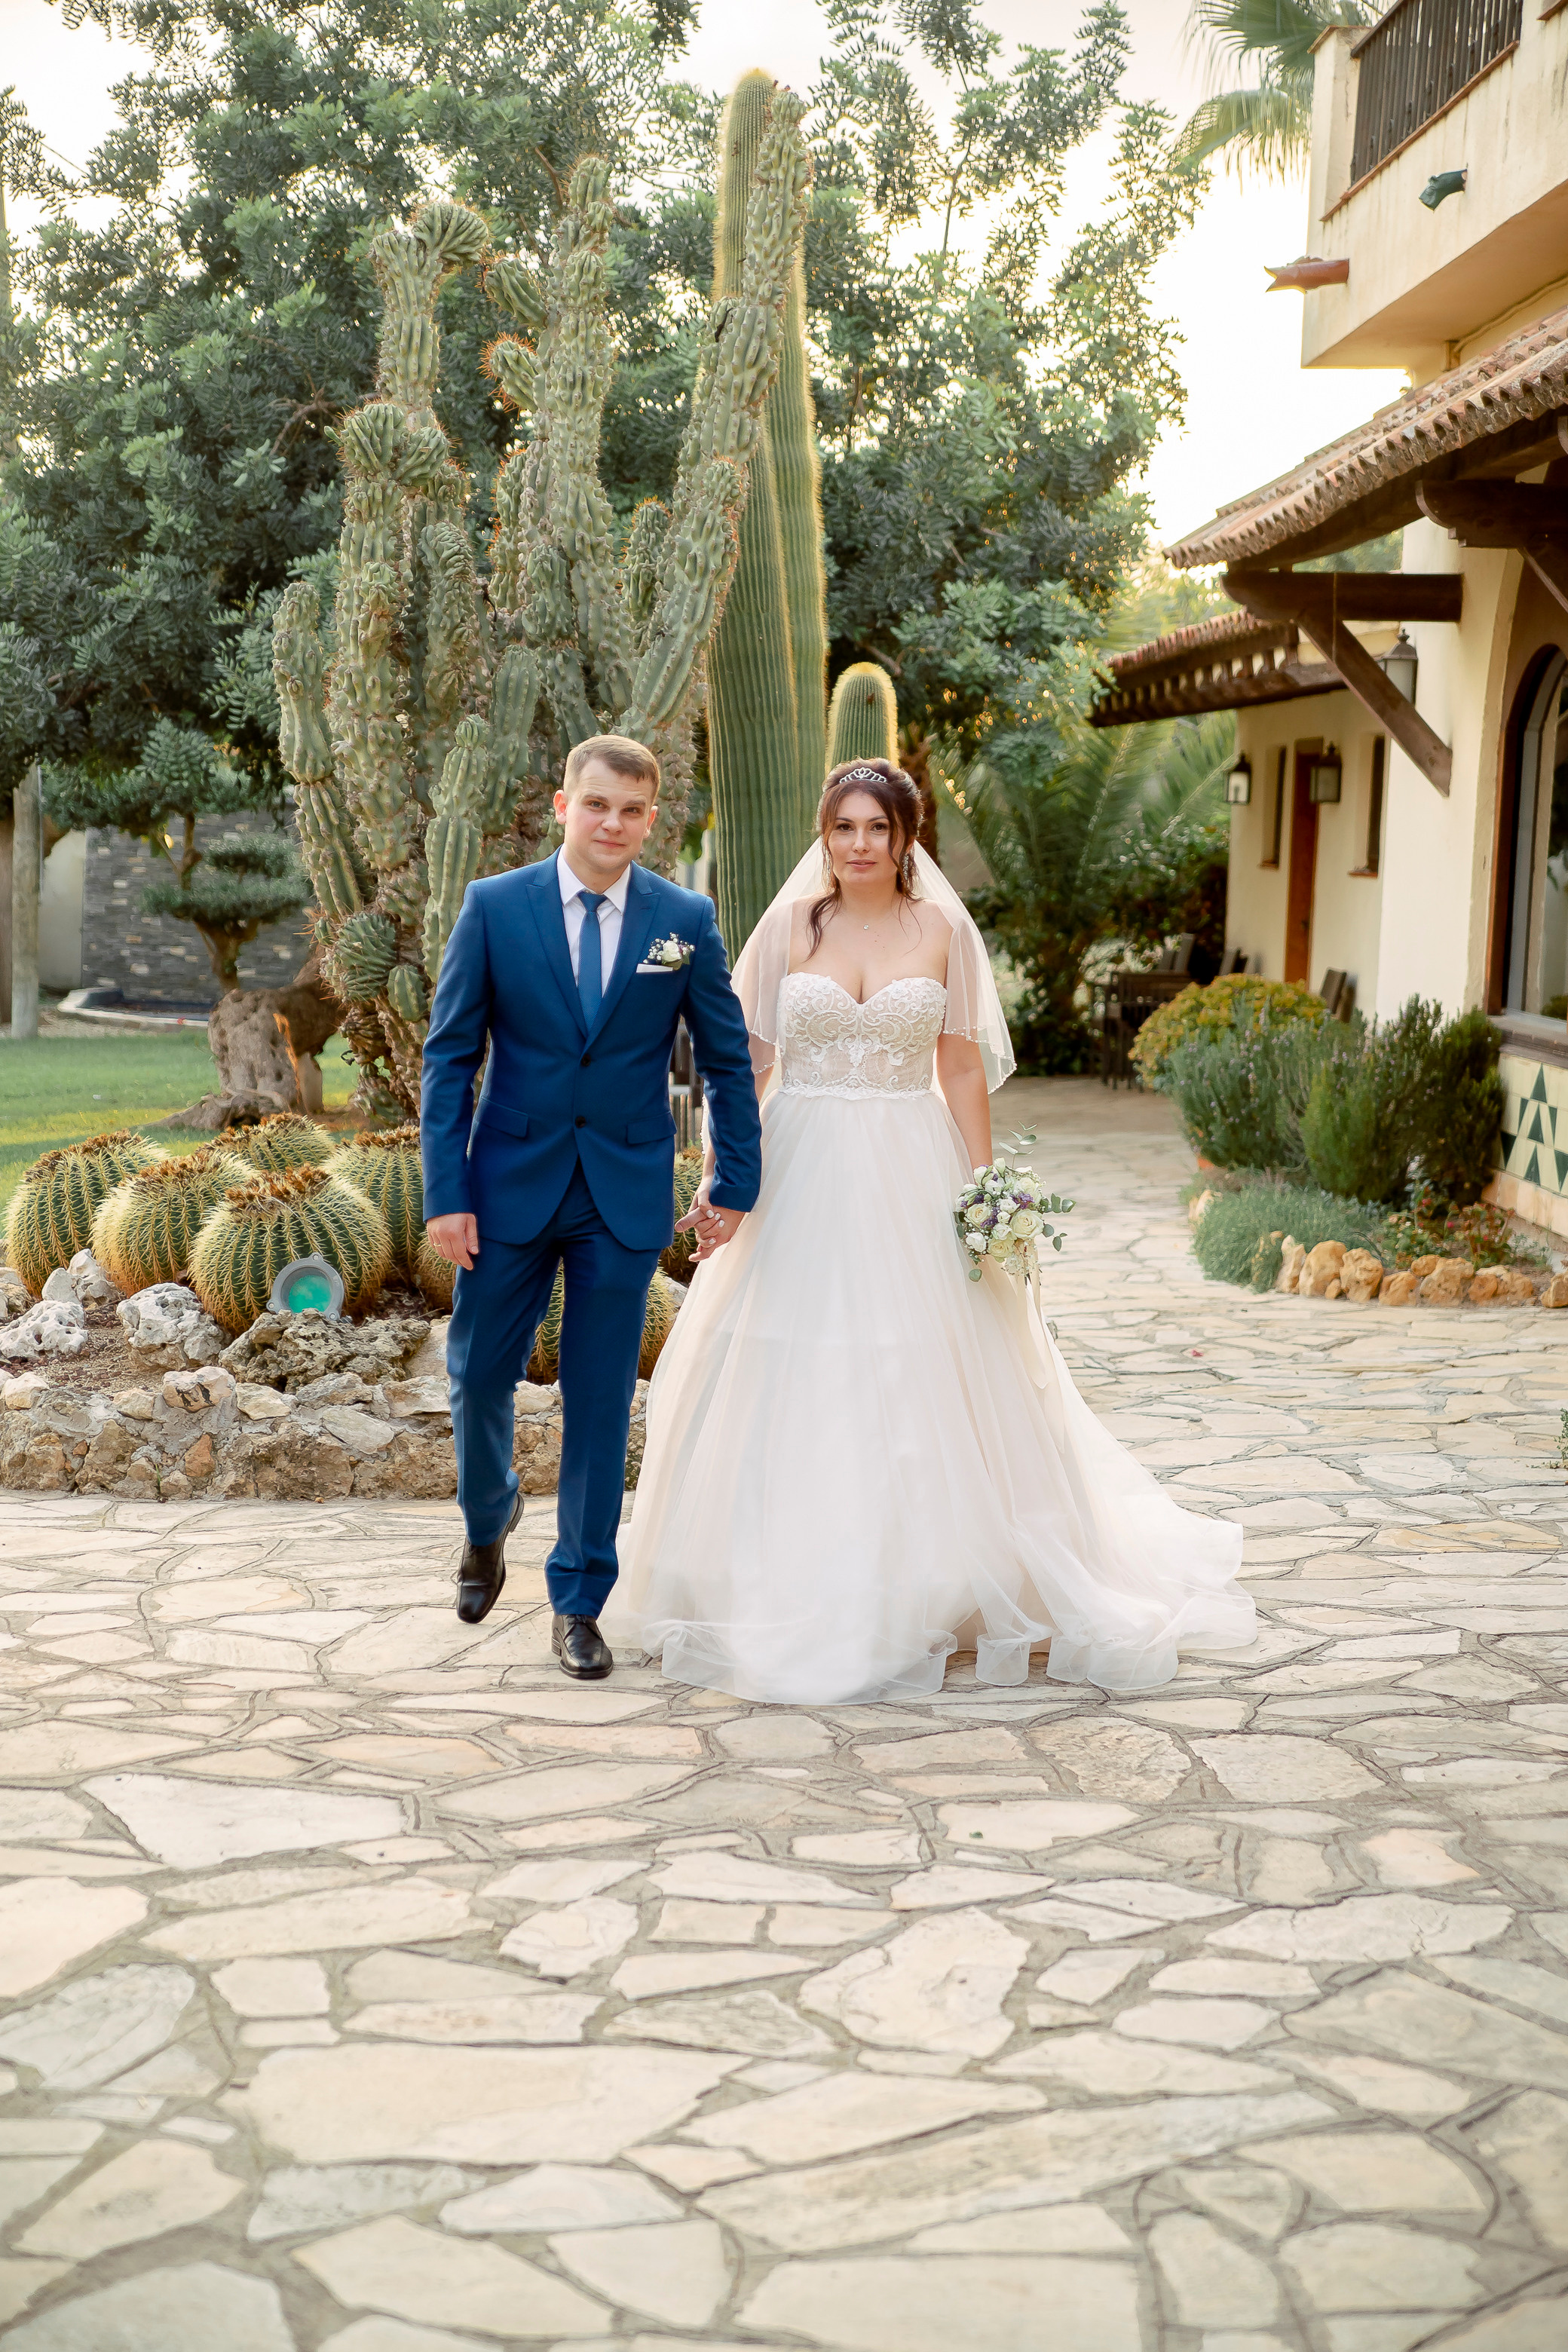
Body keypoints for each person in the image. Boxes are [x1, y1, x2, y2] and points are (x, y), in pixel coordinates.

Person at [603, 758, 1255, 1703]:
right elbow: (747, 1063)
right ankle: (770, 1568)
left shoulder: (942, 928)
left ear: (908, 838)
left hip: (910, 1160)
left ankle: (928, 1581)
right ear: (823, 836)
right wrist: (719, 1173)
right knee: (790, 1352)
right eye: (843, 830)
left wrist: (984, 1188)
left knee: (918, 1355)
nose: (858, 846)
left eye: (877, 829)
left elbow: (955, 1071)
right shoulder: (789, 925)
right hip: (799, 1161)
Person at [421, 734, 762, 1679]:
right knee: (479, 1376)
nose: (615, 824)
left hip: (622, 1189)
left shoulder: (682, 918)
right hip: (505, 1187)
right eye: (598, 805)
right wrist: (446, 1192)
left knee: (602, 1402)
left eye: (634, 810)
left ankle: (579, 1600)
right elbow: (450, 1057)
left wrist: (734, 1181)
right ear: (563, 808)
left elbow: (727, 1061)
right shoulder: (494, 908)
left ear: (652, 819)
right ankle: (489, 1520)